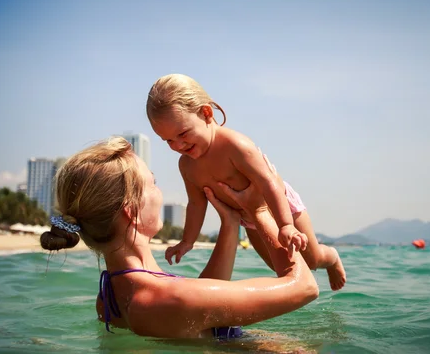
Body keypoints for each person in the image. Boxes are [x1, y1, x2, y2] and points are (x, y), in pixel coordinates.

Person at [40, 137, 319, 338]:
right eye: (153, 183)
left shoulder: (111, 294)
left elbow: (203, 305)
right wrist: (259, 210)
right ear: (132, 211)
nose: (160, 193)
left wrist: (230, 223)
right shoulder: (163, 298)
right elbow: (304, 287)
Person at [146, 74, 347, 290]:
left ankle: (332, 257)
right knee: (280, 268)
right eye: (168, 140)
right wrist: (187, 241)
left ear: (206, 113)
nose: (178, 145)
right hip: (248, 217)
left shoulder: (234, 145)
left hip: (280, 205)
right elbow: (196, 203)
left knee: (312, 260)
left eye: (183, 133)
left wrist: (286, 225)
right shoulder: (187, 166)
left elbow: (268, 183)